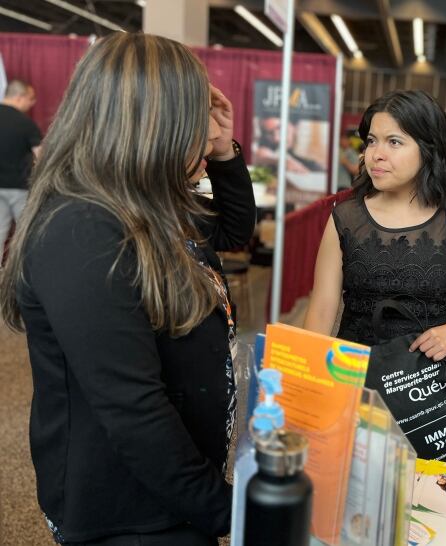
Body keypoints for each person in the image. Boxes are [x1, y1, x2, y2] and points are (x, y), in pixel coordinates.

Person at [0, 33, 256, 545]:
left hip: (169, 491)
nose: (206, 133)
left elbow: (232, 233)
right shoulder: (82, 229)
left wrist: (225, 151)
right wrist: (226, 511)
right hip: (130, 511)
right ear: (152, 123)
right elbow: (133, 410)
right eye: (195, 116)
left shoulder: (145, 202)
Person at [302, 90, 446, 363]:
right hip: (357, 375)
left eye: (394, 142)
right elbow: (321, 310)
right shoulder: (345, 218)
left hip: (432, 380)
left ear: (428, 149)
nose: (376, 154)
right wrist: (308, 377)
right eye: (371, 141)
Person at [0, 79, 41, 257]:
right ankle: (22, 278)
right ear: (20, 97)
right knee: (27, 234)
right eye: (31, 99)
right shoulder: (26, 123)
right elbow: (42, 157)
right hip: (19, 187)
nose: (33, 103)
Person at [253, 115, 324, 173]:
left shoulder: (312, 161)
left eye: (280, 129)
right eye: (269, 133)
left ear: (295, 127)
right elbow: (259, 156)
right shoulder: (266, 149)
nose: (276, 138)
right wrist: (278, 162)